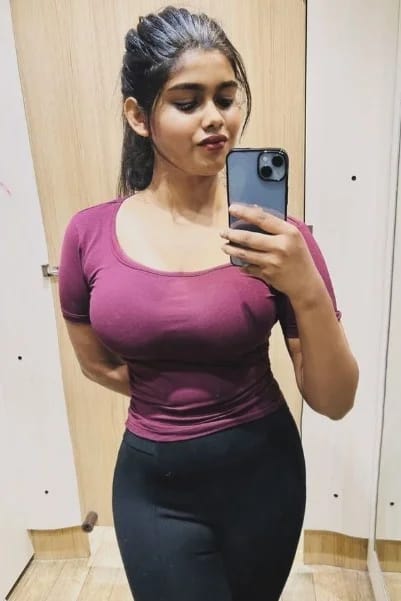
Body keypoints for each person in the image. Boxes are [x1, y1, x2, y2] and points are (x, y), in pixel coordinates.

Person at [58, 6, 359, 601]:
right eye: (187, 101)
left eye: (226, 97)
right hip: (153, 488)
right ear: (138, 115)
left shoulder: (280, 241)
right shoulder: (88, 234)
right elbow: (94, 362)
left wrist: (305, 285)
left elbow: (335, 399)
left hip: (265, 480)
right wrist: (172, 396)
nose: (216, 118)